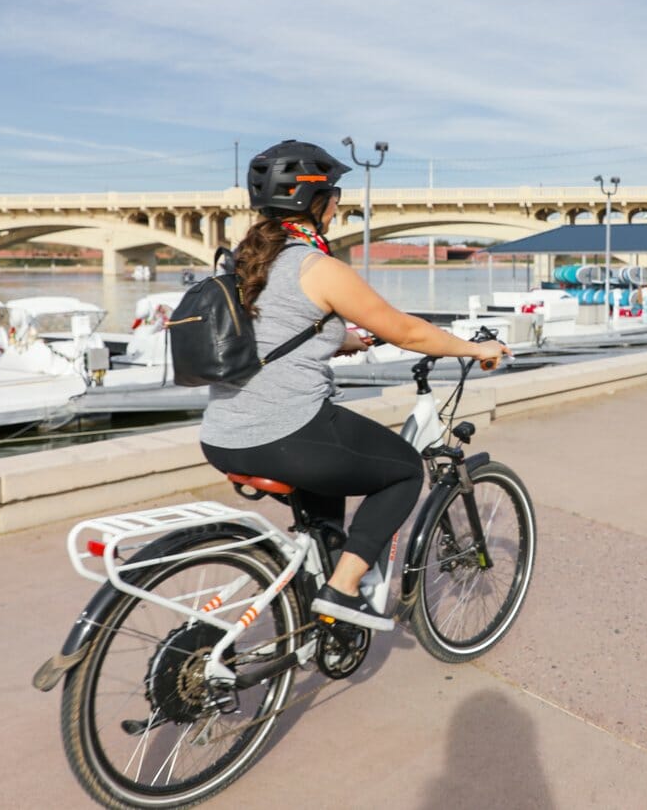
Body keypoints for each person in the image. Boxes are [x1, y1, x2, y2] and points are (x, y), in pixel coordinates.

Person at [199, 140, 509, 631]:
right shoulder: (317, 266)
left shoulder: (243, 262)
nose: (339, 203)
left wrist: (339, 339)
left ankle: (310, 614)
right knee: (404, 470)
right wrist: (475, 349)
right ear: (312, 200)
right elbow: (407, 332)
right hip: (283, 435)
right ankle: (342, 593)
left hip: (222, 436)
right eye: (334, 193)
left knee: (328, 505)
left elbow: (270, 328)